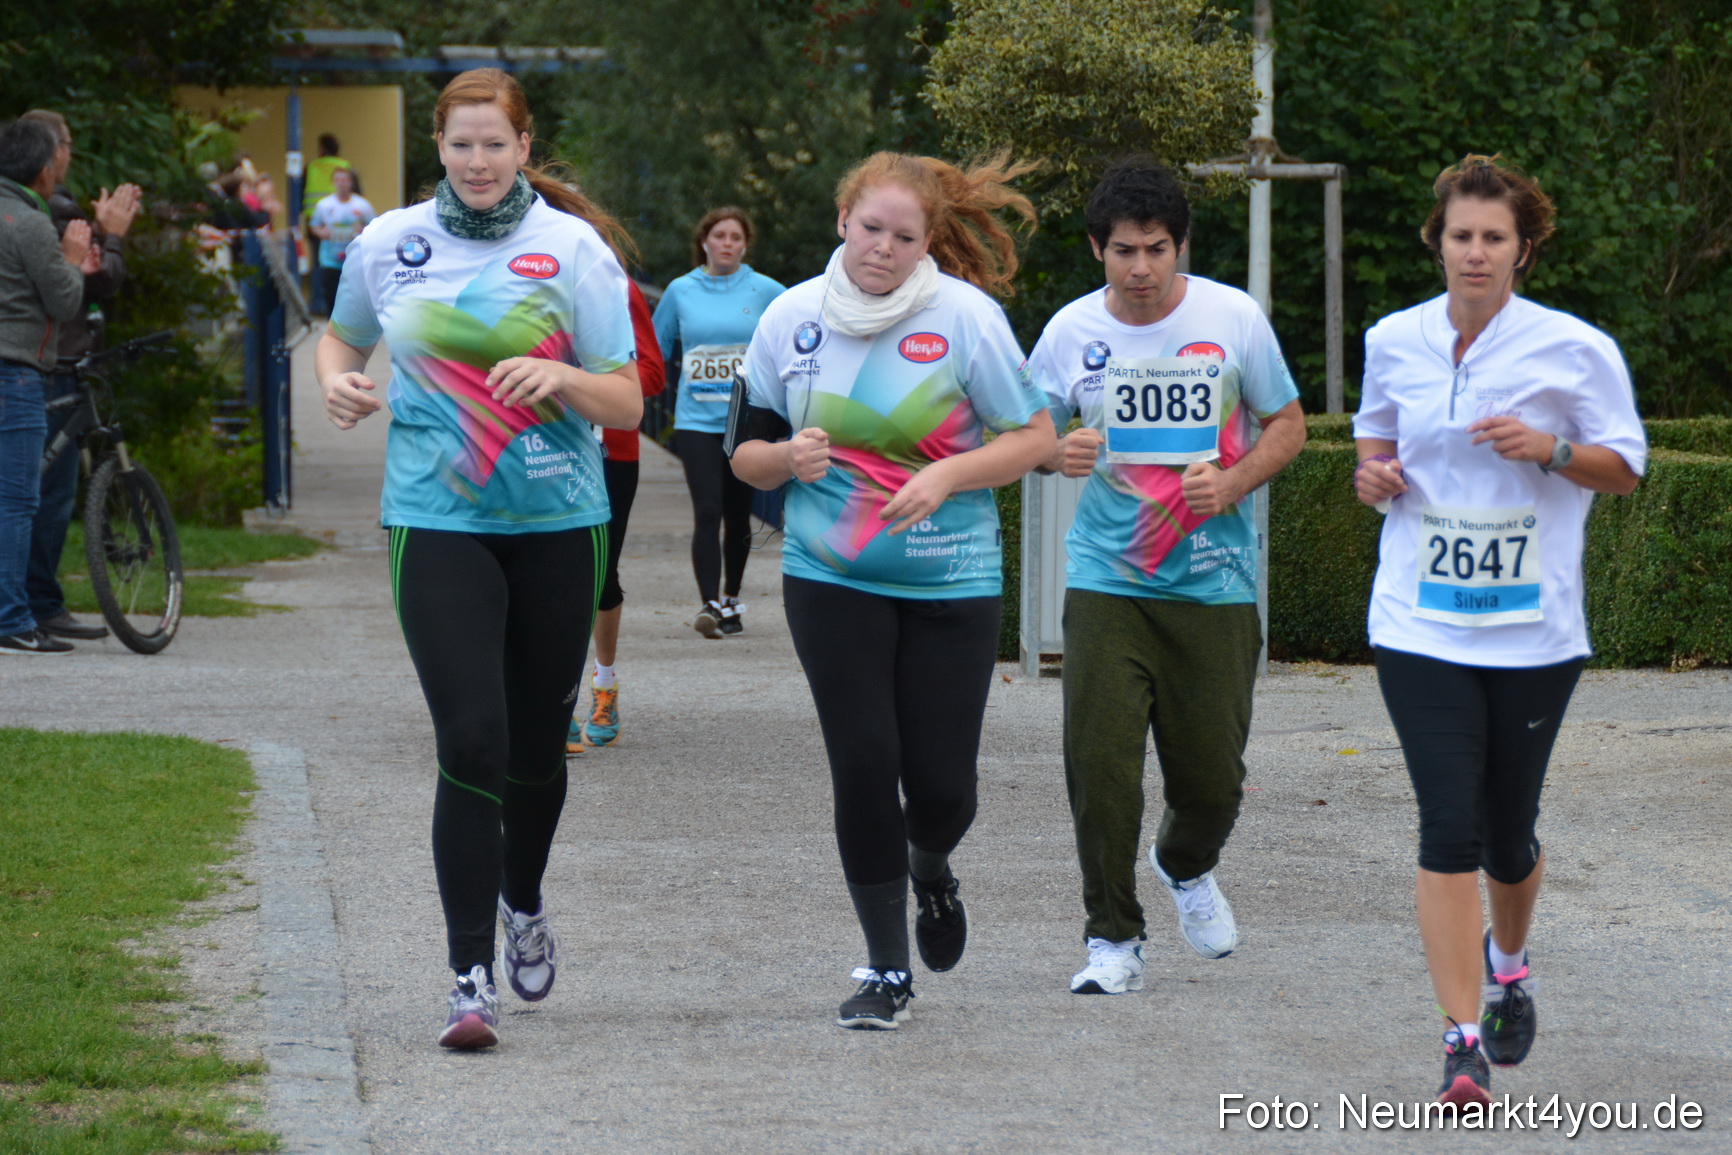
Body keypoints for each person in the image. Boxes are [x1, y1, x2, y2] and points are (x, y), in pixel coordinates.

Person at [315, 68, 642, 1049]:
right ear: (439, 151)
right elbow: (339, 345)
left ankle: (524, 896)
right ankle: (468, 976)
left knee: (538, 746)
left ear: (524, 149)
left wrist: (565, 375)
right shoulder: (387, 244)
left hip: (557, 522)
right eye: (460, 144)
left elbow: (627, 402)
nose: (478, 161)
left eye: (494, 144)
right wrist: (341, 388)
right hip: (435, 519)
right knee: (469, 740)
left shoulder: (572, 249)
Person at [731, 151, 1056, 1029]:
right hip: (830, 576)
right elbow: (744, 453)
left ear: (928, 242)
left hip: (952, 578)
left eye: (904, 235)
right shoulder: (789, 317)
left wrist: (949, 477)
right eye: (870, 227)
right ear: (843, 219)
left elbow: (1032, 438)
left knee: (942, 787)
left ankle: (931, 865)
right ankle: (883, 968)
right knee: (865, 763)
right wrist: (785, 459)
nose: (883, 247)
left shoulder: (966, 319)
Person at [1352, 154, 1645, 1106]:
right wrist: (1374, 477)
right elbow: (1375, 437)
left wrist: (1552, 449)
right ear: (1436, 241)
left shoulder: (1574, 348)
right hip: (1418, 621)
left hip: (1533, 632)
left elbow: (1626, 468)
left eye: (1494, 237)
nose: (1475, 252)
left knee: (1507, 837)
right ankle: (1462, 1037)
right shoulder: (1393, 337)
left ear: (1524, 249)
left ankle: (1509, 961)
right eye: (1461, 235)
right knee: (1449, 821)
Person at [1026, 159, 1305, 996]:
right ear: (1096, 250)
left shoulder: (1234, 319)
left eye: (1156, 249)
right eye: (1122, 251)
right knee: (1101, 767)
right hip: (1108, 579)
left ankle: (1185, 864)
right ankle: (1112, 936)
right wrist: (1054, 451)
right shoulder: (1070, 332)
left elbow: (1288, 424)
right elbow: (1024, 432)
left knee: (1212, 781)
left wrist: (1233, 481)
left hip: (1214, 583)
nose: (1140, 268)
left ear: (1182, 245)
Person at [18, 111, 141, 644]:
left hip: (49, 360)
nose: (70, 152)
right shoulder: (48, 211)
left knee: (36, 492)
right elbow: (99, 281)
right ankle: (36, 604)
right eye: (65, 142)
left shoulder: (37, 209)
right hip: (55, 363)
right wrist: (111, 236)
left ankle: (34, 601)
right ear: (49, 156)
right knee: (42, 495)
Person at [652, 207, 784, 637]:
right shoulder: (679, 291)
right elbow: (655, 344)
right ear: (704, 242)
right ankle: (709, 604)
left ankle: (731, 599)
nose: (727, 243)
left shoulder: (764, 290)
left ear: (745, 245)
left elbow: (800, 326)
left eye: (735, 237)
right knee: (707, 510)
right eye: (719, 235)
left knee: (738, 513)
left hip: (746, 421)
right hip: (696, 421)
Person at [0, 116, 95, 654]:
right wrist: (74, 260)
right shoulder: (30, 221)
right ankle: (12, 619)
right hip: (15, 372)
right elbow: (63, 300)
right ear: (42, 170)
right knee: (15, 500)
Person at [566, 276, 666, 752]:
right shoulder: (508, 277)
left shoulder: (615, 286)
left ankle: (604, 686)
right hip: (536, 445)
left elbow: (652, 371)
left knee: (599, 573)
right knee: (545, 573)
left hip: (611, 450)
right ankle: (552, 699)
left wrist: (585, 379)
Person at [307, 168, 375, 320]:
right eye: (338, 180)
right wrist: (321, 232)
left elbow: (375, 226)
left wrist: (363, 229)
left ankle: (352, 323)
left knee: (353, 294)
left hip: (354, 258)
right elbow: (314, 226)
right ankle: (332, 322)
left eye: (345, 180)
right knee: (331, 292)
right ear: (334, 183)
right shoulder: (324, 205)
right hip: (330, 258)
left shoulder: (362, 205)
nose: (342, 184)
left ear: (351, 182)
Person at [303, 134, 351, 312]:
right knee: (340, 262)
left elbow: (299, 194)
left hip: (315, 222)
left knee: (318, 263)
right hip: (341, 224)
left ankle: (317, 303)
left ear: (322, 148)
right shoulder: (345, 167)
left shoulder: (310, 167)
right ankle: (339, 303)